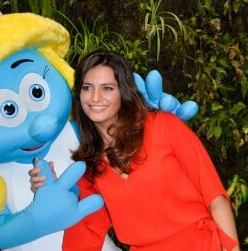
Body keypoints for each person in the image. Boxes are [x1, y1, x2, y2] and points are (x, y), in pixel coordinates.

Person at [30, 51, 240, 251]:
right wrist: (54, 193)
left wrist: (232, 248)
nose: (95, 97)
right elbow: (85, 233)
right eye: (87, 87)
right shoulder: (90, 165)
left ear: (123, 91)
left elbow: (215, 197)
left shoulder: (163, 125)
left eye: (107, 88)